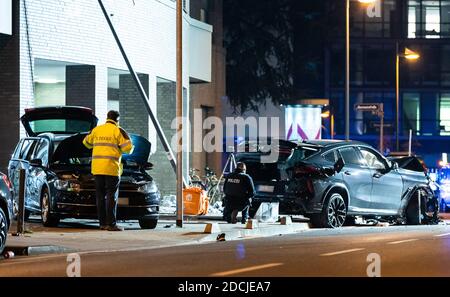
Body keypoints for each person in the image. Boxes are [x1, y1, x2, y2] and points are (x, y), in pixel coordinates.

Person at [83, 110, 134, 231]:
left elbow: (86, 142)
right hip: (111, 169)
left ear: (107, 117)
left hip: (97, 169)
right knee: (111, 197)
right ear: (117, 119)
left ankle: (102, 224)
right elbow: (128, 148)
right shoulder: (118, 130)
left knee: (100, 197)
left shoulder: (97, 129)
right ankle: (111, 224)